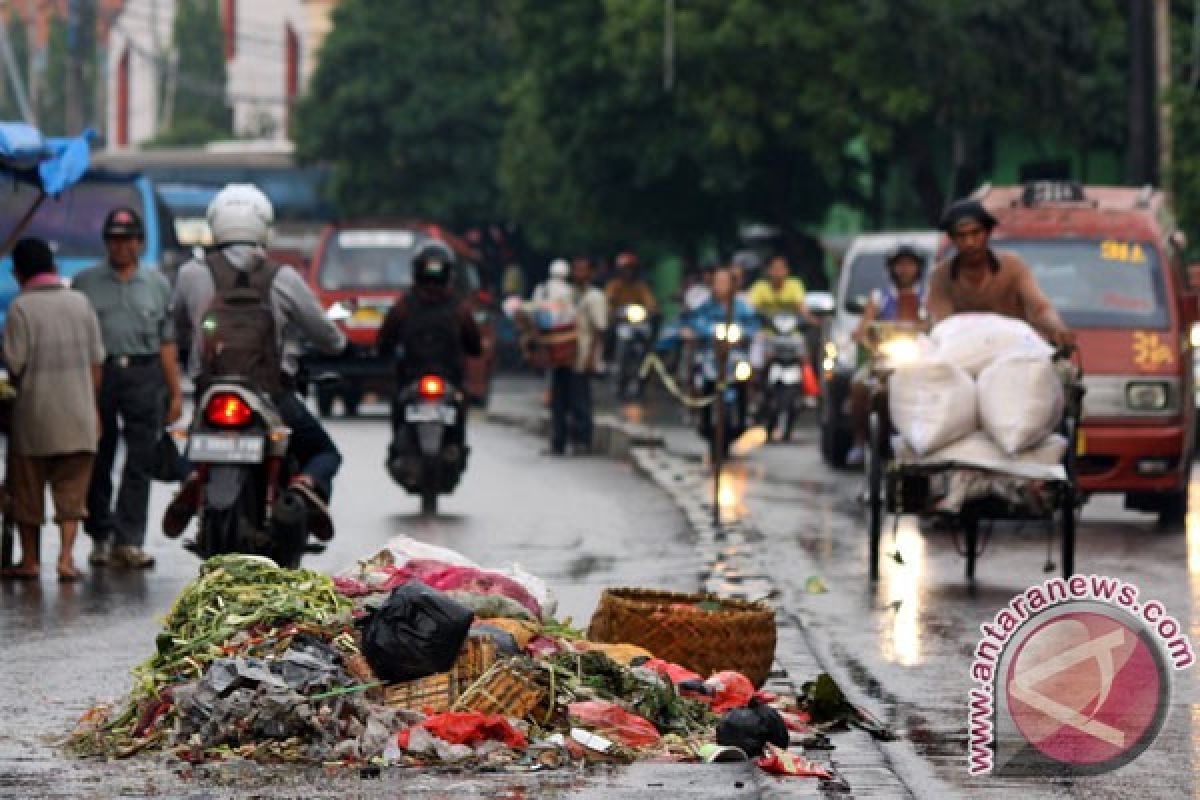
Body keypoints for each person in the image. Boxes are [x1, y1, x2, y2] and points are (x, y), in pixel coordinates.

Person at [164, 184, 347, 540]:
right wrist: (338, 343)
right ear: (264, 225)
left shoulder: (191, 275)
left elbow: (176, 331)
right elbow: (327, 336)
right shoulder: (284, 277)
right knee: (325, 452)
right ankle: (304, 485)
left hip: (211, 393)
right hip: (270, 395)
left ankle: (191, 479)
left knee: (194, 441)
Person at [73, 208, 182, 569]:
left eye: (128, 240)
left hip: (143, 373)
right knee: (99, 455)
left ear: (140, 243)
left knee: (141, 459)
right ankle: (100, 535)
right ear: (106, 243)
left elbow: (166, 343)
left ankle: (129, 540)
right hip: (100, 373)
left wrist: (175, 391)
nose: (121, 247)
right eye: (114, 240)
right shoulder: (85, 283)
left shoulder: (157, 285)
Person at [1, 238, 105, 582]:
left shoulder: (21, 308)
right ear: (53, 268)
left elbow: (15, 363)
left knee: (27, 495)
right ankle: (65, 559)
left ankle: (30, 561)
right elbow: (96, 362)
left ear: (18, 272)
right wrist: (93, 407)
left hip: (35, 420)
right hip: (79, 416)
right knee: (72, 495)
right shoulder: (81, 302)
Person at [377, 241, 482, 467]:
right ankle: (455, 449)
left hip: (416, 378)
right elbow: (475, 346)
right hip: (443, 379)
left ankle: (404, 450)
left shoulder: (403, 307)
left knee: (399, 405)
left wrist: (383, 353)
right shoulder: (459, 309)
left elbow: (385, 340)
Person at [926, 198, 1075, 348]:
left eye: (975, 233)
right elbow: (942, 324)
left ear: (988, 233)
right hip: (963, 352)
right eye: (961, 236)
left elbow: (1039, 308)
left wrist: (1057, 328)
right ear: (952, 239)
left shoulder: (1012, 266)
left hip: (1011, 352)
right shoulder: (941, 275)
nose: (969, 242)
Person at [845, 244, 927, 467]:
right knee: (859, 385)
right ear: (892, 268)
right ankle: (860, 442)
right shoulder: (879, 297)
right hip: (883, 360)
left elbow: (935, 323)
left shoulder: (926, 296)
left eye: (909, 264)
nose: (904, 269)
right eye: (900, 264)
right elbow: (864, 327)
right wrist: (863, 333)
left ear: (918, 268)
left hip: (918, 361)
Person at [549, 257, 607, 455]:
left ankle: (582, 442)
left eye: (583, 270)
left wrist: (593, 358)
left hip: (582, 356)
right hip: (562, 355)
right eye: (576, 269)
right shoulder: (566, 295)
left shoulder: (595, 297)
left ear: (591, 273)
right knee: (558, 401)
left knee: (580, 402)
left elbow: (599, 330)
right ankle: (558, 441)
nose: (579, 274)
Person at [747, 254, 820, 324]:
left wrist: (810, 318)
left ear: (787, 270)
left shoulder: (794, 284)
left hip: (793, 328)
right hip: (766, 329)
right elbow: (752, 306)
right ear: (768, 270)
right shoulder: (760, 286)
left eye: (781, 268)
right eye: (775, 268)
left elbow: (801, 305)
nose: (778, 272)